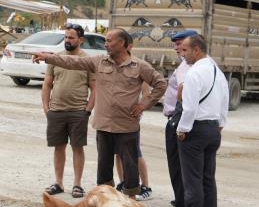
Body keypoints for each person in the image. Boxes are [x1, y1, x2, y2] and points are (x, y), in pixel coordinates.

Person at [34, 29, 165, 197]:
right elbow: (71, 62)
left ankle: (131, 200)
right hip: (103, 126)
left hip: (127, 126)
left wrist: (144, 104)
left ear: (123, 44)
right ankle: (106, 200)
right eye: (106, 41)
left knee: (130, 166)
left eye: (110, 41)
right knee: (103, 166)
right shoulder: (99, 62)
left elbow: (161, 84)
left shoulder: (139, 66)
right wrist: (47, 57)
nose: (106, 44)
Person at [174, 34, 229, 207]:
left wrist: (182, 129)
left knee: (192, 179)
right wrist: (221, 123)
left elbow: (189, 107)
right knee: (207, 178)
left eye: (185, 50)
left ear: (196, 50)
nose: (183, 54)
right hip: (213, 129)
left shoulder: (194, 73)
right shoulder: (216, 70)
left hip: (195, 129)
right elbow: (225, 99)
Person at [41, 24, 95, 198]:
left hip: (78, 111)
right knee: (59, 147)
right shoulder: (55, 59)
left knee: (77, 147)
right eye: (66, 37)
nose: (67, 40)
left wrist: (87, 110)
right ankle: (58, 182)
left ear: (81, 40)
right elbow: (47, 84)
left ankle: (77, 185)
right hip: (56, 111)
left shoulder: (87, 61)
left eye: (71, 37)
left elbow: (95, 88)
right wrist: (46, 108)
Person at [161, 30, 198, 207]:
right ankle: (184, 202)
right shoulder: (196, 65)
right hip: (181, 117)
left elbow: (183, 90)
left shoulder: (187, 66)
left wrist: (178, 116)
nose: (176, 48)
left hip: (178, 118)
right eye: (175, 45)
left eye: (180, 44)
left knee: (178, 167)